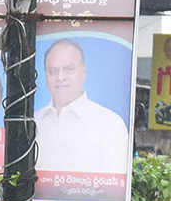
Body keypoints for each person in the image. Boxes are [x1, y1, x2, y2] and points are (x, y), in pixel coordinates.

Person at [35, 39, 130, 174]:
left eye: (69, 69)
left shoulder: (109, 123)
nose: (60, 77)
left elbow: (116, 186)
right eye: (53, 71)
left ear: (83, 72)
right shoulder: (34, 122)